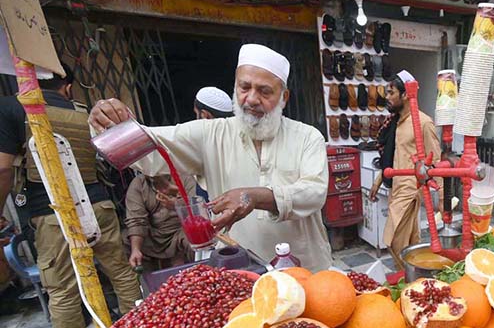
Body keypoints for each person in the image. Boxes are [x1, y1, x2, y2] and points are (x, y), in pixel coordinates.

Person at [89, 44, 333, 271]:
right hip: (241, 268)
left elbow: (314, 192)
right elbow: (149, 145)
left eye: (265, 91)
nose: (251, 99)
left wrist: (255, 196)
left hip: (306, 268)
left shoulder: (307, 137)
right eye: (244, 87)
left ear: (284, 97)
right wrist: (109, 122)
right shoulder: (210, 134)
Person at [0, 62, 142, 328]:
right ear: (67, 87)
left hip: (52, 212)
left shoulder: (13, 108)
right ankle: (141, 326)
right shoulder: (83, 113)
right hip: (100, 204)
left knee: (60, 283)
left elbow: (3, 169)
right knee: (119, 269)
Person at [369, 74, 442, 268]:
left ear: (405, 95)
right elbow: (392, 156)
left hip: (410, 190)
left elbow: (436, 162)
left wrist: (442, 198)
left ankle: (409, 275)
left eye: (391, 92)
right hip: (396, 187)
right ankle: (414, 280)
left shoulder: (423, 123)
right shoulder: (395, 122)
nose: (387, 97)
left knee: (392, 240)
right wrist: (378, 180)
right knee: (410, 242)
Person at [126, 173, 196, 269]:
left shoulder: (185, 177)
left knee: (194, 238)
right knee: (127, 241)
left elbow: (197, 206)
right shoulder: (139, 183)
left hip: (181, 229)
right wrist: (135, 249)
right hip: (155, 233)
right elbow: (136, 220)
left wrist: (176, 204)